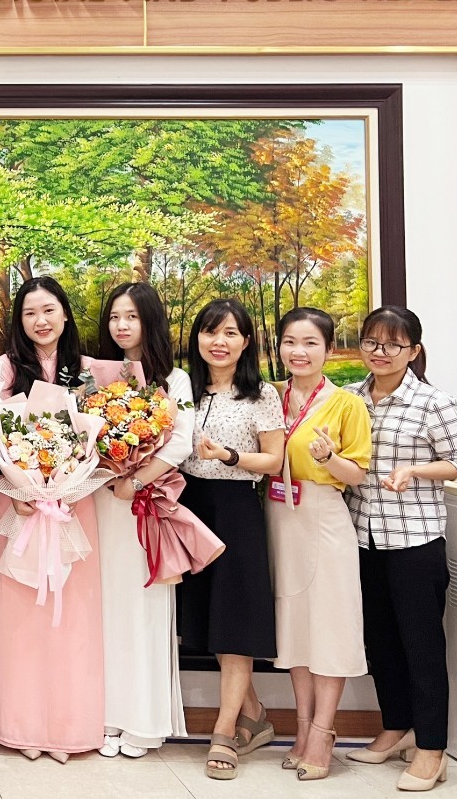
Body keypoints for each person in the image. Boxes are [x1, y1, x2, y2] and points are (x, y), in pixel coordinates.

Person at [344, 305, 457, 792]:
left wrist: (414, 470)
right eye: (371, 342)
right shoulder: (351, 398)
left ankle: (432, 748)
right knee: (380, 641)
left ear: (413, 351)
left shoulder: (432, 402)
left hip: (415, 540)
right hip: (363, 536)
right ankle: (396, 727)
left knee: (422, 647)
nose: (380, 352)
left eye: (393, 344)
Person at [0, 276, 102, 762]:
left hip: (74, 504)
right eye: (30, 312)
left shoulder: (88, 371)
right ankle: (21, 726)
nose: (41, 320)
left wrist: (67, 482)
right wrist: (20, 486)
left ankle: (66, 729)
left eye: (49, 310)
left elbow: (100, 435)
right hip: (20, 502)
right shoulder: (6, 368)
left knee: (72, 615)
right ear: (20, 321)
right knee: (21, 615)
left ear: (65, 314)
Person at [177, 298, 284, 781]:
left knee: (235, 619)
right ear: (196, 338)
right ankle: (255, 715)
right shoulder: (184, 391)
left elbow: (274, 461)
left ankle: (224, 732)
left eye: (230, 333)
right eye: (209, 331)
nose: (218, 341)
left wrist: (229, 456)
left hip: (236, 509)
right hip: (188, 506)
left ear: (245, 342)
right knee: (211, 618)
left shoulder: (260, 394)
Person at [266, 307, 371, 781]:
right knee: (295, 626)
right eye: (290, 341)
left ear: (329, 349)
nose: (299, 351)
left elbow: (358, 475)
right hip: (279, 519)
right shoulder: (272, 396)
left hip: (324, 518)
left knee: (329, 626)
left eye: (310, 343)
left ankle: (324, 732)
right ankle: (303, 728)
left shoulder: (346, 404)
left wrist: (329, 457)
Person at [92, 282, 192, 759]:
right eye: (114, 317)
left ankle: (145, 721)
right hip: (102, 504)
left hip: (145, 505)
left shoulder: (175, 379)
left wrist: (134, 479)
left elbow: (181, 441)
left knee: (144, 608)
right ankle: (109, 715)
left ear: (150, 320)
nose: (121, 325)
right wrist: (104, 470)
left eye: (131, 316)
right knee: (105, 610)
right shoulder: (96, 376)